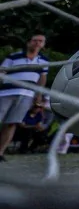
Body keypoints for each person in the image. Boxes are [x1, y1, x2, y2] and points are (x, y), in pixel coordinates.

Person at [0, 33, 48, 163]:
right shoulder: (13, 57)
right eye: (35, 40)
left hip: (27, 95)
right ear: (29, 42)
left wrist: (38, 97)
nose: (37, 43)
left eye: (41, 41)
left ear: (43, 45)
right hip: (6, 93)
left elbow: (42, 80)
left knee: (12, 123)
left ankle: (0, 152)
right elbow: (1, 71)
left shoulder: (43, 61)